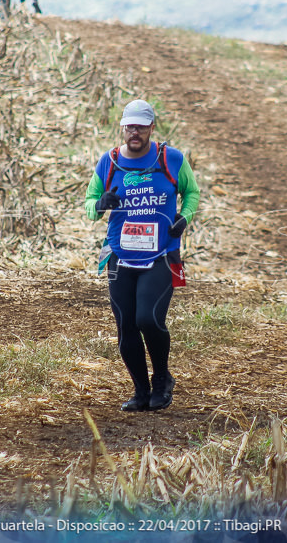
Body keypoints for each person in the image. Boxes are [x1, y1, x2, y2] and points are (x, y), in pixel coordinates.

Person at [85, 100, 200, 412]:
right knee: (126, 326)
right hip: (119, 256)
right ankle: (141, 391)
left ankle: (162, 379)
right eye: (129, 127)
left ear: (152, 128)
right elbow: (89, 202)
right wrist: (100, 204)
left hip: (161, 253)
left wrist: (185, 217)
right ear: (122, 128)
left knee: (148, 318)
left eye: (141, 127)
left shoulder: (171, 159)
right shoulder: (108, 163)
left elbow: (192, 192)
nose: (134, 132)